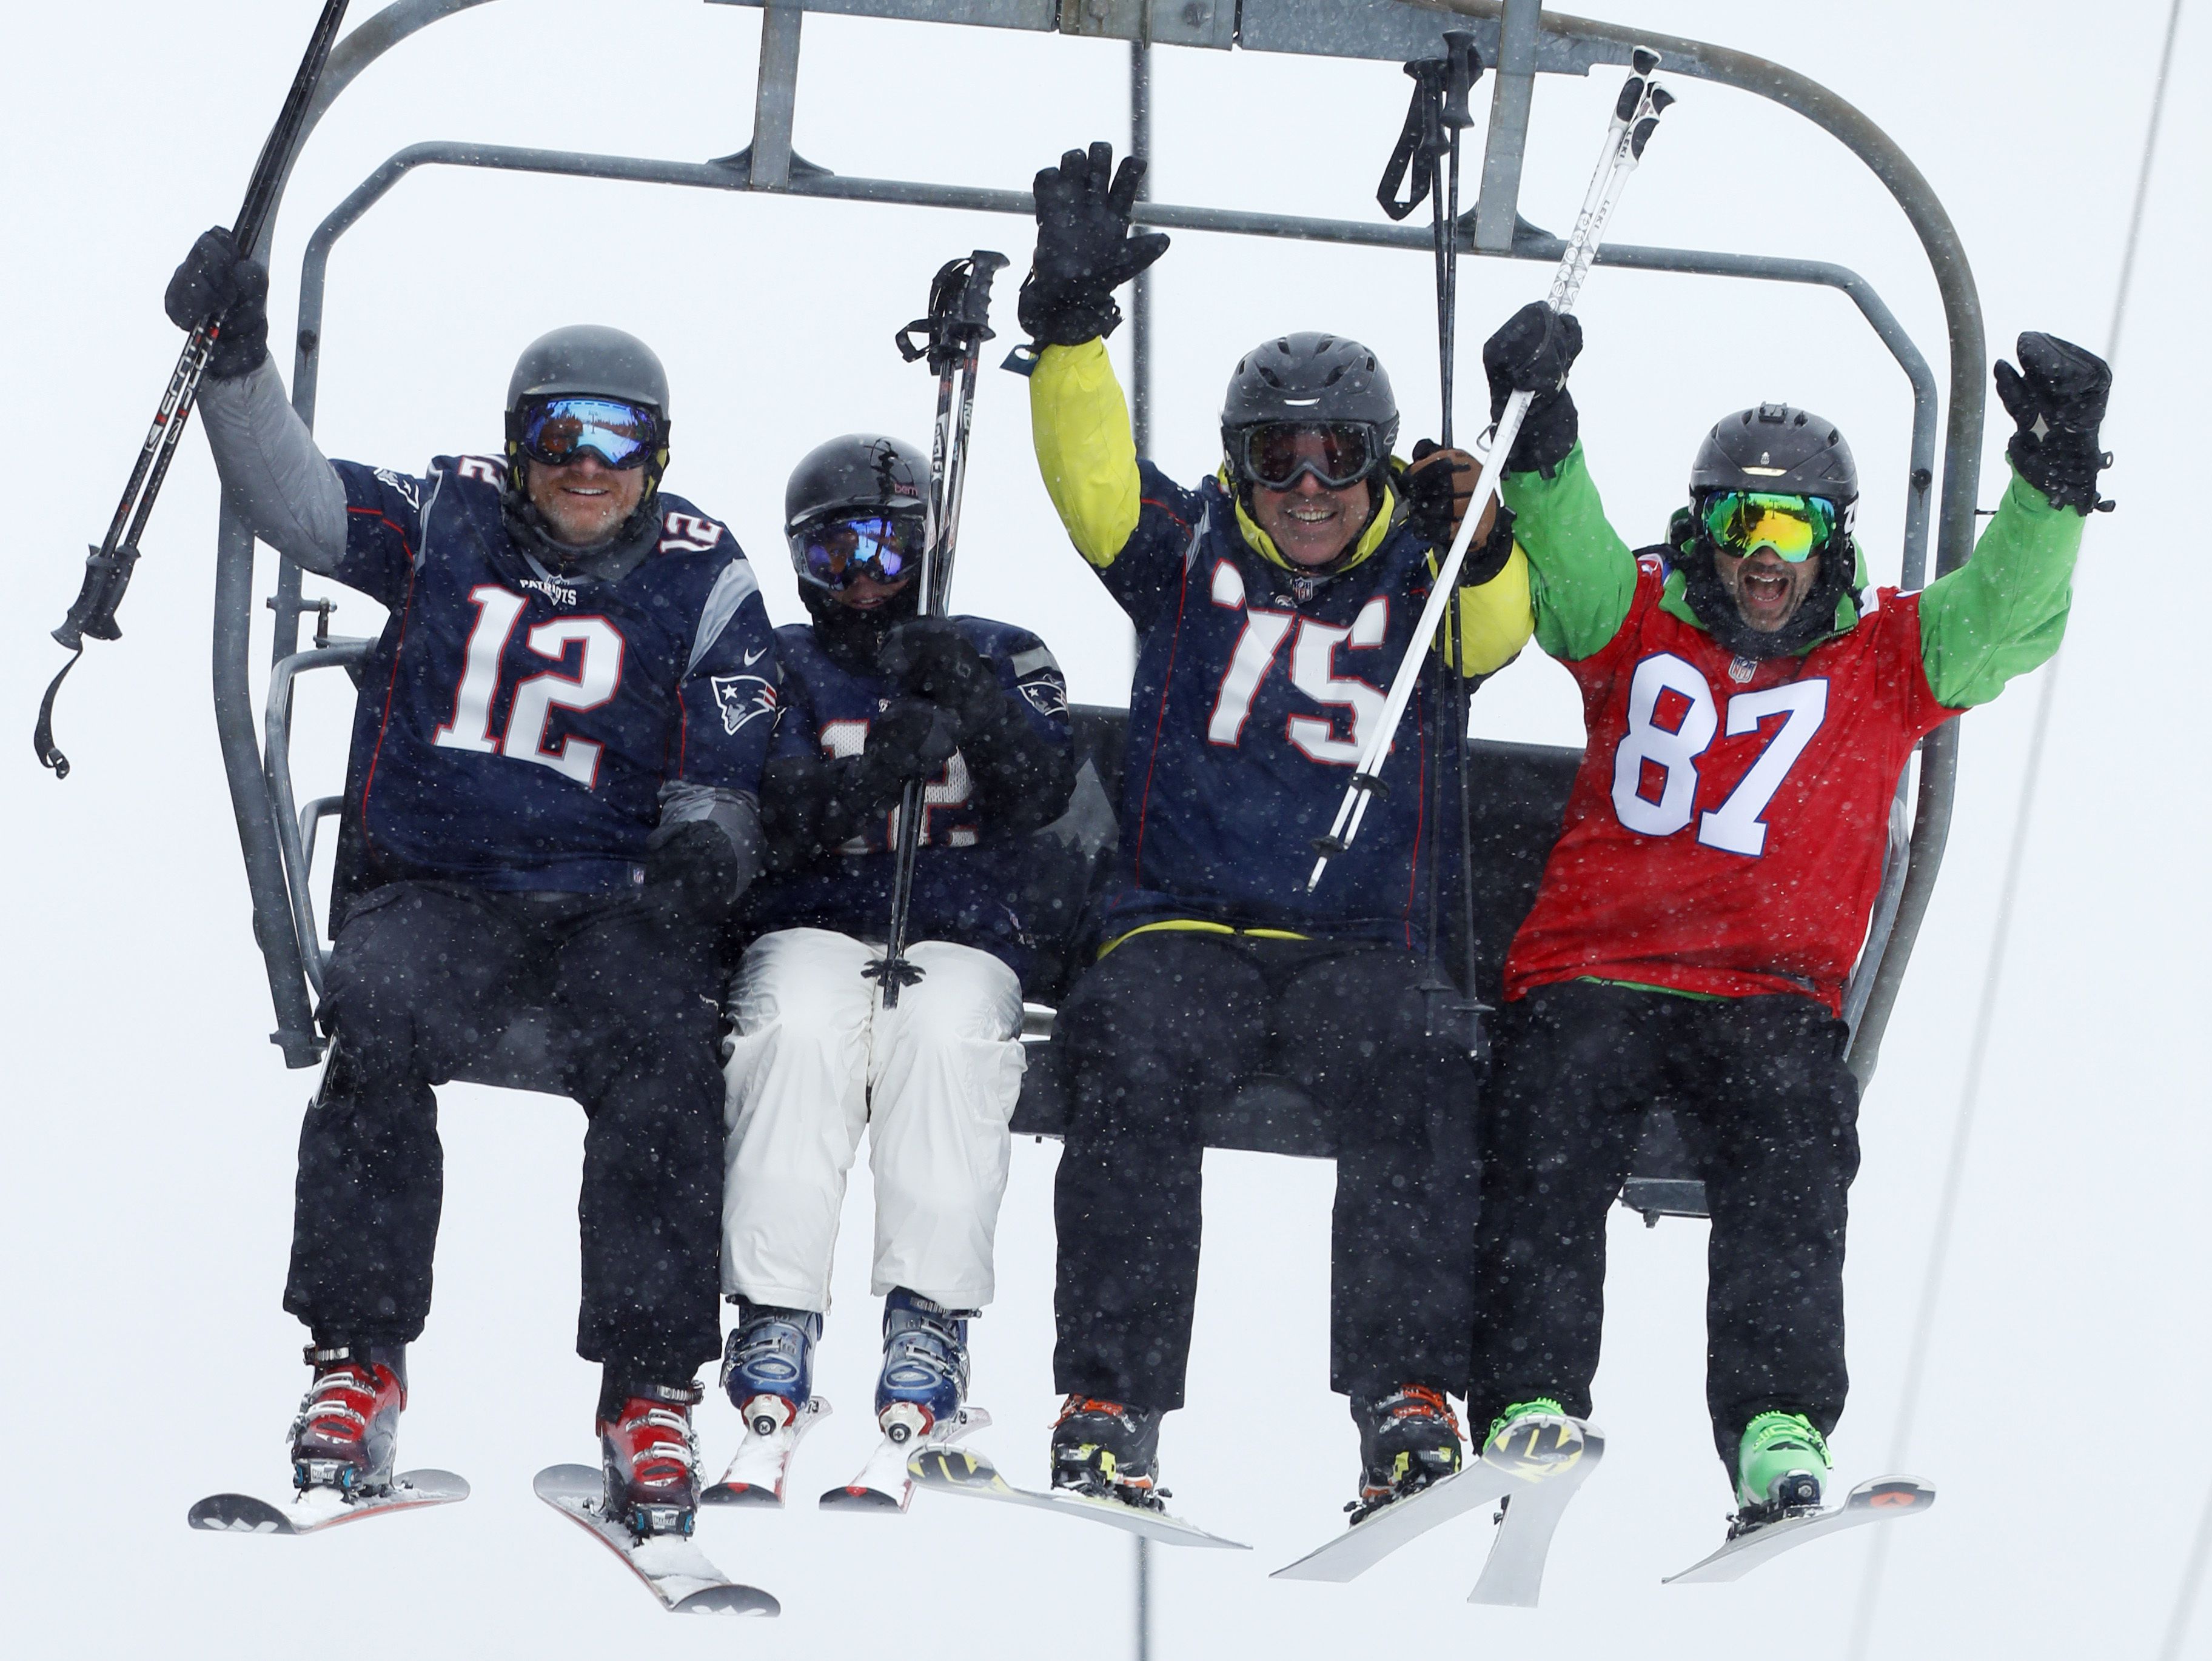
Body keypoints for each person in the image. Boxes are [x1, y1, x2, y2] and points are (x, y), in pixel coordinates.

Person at [165, 228, 782, 1539]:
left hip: (608, 891)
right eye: (558, 435)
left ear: (656, 452)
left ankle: (649, 1385)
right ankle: (359, 1357)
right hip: (439, 881)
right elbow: (302, 505)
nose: (585, 468)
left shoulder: (702, 569)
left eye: (617, 439)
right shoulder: (447, 517)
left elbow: (732, 748)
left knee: (667, 1050)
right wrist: (237, 366)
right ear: (516, 443)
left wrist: (704, 845)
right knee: (376, 1017)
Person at [1465, 300, 2111, 1520]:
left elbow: (2009, 612)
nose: (1763, 553)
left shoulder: (1886, 650)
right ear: (1700, 525)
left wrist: (2053, 481)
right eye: (1737, 519)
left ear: (1834, 536)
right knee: (1547, 1121)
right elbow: (1572, 552)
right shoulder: (1639, 612)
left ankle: (1778, 1419)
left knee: (1795, 1148)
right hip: (1597, 969)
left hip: (1768, 989)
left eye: (1793, 523)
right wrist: (1541, 430)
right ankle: (1527, 1399)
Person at [1014, 142, 1536, 1516]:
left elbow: (1498, 633)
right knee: (1125, 1041)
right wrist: (1069, 331)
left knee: (1426, 1057)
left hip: (1358, 939)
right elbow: (1090, 485)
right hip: (1188, 921)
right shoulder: (1189, 554)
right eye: (1276, 455)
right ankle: (1111, 1399)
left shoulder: (1426, 580)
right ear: (1239, 465)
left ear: (1379, 460)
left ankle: (1406, 1393)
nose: (1309, 485)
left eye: (1340, 455)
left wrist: (1477, 539)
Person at [716, 433, 1075, 1449]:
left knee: (950, 1037)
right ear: (799, 561)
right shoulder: (776, 661)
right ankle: (774, 1309)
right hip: (816, 921)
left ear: (924, 545)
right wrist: (872, 773)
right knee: (793, 1029)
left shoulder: (1001, 648)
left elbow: (1045, 790)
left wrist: (972, 700)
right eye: (834, 556)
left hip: (959, 928)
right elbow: (766, 806)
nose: (863, 581)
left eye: (881, 550)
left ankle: (929, 1315)